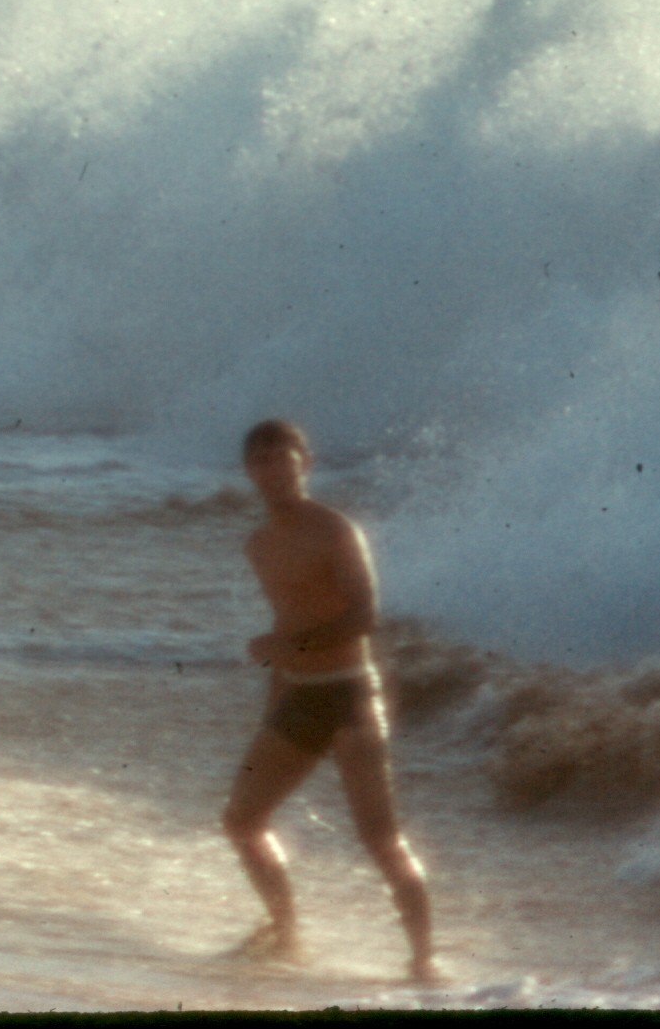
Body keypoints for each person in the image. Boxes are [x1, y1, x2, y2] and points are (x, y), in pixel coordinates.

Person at [218, 418, 437, 981]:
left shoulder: (335, 529)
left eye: (282, 458)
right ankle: (285, 932)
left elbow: (365, 615)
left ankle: (424, 962)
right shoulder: (258, 544)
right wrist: (274, 703)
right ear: (249, 472)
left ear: (305, 463)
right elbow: (285, 620)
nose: (273, 470)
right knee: (242, 819)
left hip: (350, 696)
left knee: (379, 837)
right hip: (299, 698)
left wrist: (289, 644)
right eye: (261, 461)